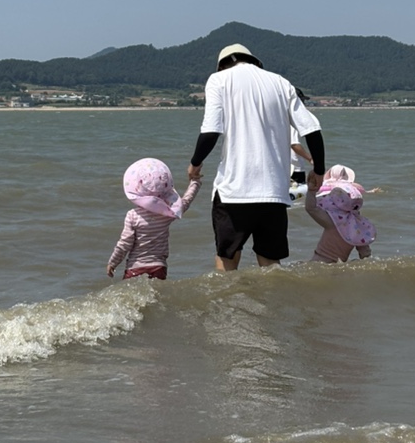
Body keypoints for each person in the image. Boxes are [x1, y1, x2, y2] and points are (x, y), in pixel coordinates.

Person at [187, 43, 325, 270]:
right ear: (254, 61)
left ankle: (229, 305)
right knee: (271, 262)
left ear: (222, 65)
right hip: (274, 194)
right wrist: (319, 169)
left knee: (227, 258)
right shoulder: (281, 82)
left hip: (234, 192)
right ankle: (272, 305)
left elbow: (211, 130)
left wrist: (195, 164)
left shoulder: (218, 80)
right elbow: (311, 129)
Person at [107, 158, 201, 280]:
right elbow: (186, 201)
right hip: (159, 267)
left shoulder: (132, 215)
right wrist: (195, 182)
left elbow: (125, 243)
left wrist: (113, 263)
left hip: (135, 267)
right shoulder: (167, 214)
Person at [304, 164, 377, 264]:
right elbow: (365, 254)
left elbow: (311, 208)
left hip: (319, 261)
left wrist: (311, 192)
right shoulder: (358, 228)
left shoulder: (332, 222)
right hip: (338, 266)